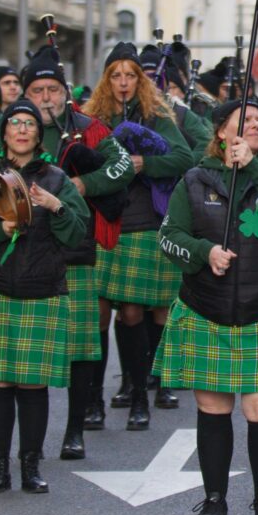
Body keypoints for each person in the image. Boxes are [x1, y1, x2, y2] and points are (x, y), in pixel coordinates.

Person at [156, 96, 258, 515]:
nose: (256, 127)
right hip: (207, 307)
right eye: (244, 122)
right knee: (213, 409)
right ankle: (214, 501)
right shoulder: (195, 179)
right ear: (221, 132)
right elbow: (169, 238)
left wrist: (256, 169)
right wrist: (203, 253)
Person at [0, 100, 95, 493]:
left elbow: (78, 235)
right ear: (4, 132)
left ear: (38, 134)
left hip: (42, 290)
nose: (23, 129)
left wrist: (55, 206)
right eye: (16, 123)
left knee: (31, 384)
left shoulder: (57, 179)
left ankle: (31, 467)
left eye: (30, 123)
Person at [87, 40, 198, 428]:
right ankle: (93, 401)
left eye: (130, 75)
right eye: (115, 75)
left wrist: (144, 162)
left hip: (142, 222)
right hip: (103, 220)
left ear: (139, 80)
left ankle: (139, 394)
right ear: (106, 80)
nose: (122, 83)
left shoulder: (156, 114)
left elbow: (184, 157)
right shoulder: (91, 115)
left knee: (134, 311)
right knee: (99, 313)